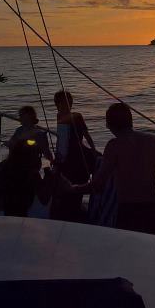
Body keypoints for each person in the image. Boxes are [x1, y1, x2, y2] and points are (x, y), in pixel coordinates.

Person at [74, 103, 155, 236]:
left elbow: (98, 185)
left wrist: (72, 188)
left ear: (110, 125)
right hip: (152, 210)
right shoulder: (153, 141)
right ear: (130, 121)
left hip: (128, 212)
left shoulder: (114, 146)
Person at [0, 106, 52, 216]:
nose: (20, 118)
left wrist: (52, 159)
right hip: (14, 163)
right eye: (20, 116)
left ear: (30, 117)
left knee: (18, 177)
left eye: (22, 116)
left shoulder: (39, 134)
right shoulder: (19, 130)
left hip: (30, 165)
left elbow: (46, 152)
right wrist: (10, 144)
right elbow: (12, 144)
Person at [51, 90, 96, 221]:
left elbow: (86, 135)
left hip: (78, 156)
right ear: (57, 105)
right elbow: (61, 138)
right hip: (64, 156)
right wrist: (57, 155)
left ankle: (75, 210)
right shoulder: (59, 116)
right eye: (61, 103)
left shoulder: (77, 116)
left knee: (76, 184)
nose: (65, 106)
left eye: (68, 102)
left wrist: (93, 149)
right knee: (62, 187)